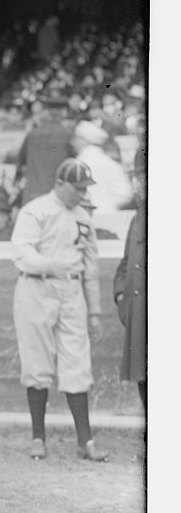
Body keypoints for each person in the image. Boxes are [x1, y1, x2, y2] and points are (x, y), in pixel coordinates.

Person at [11, 158, 108, 462]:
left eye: (85, 189)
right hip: (36, 287)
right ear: (60, 184)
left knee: (77, 363)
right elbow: (21, 253)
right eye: (77, 188)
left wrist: (94, 311)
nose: (81, 193)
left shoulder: (83, 217)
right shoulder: (35, 210)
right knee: (37, 364)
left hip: (72, 290)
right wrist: (50, 264)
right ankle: (38, 437)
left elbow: (91, 268)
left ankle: (86, 441)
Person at [113, 147, 146, 413]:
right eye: (138, 177)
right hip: (139, 320)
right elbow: (125, 264)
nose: (141, 182)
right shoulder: (138, 218)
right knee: (144, 384)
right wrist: (121, 297)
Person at [17, 95, 73, 205]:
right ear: (64, 112)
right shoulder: (68, 135)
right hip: (58, 197)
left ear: (46, 111)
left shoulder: (32, 134)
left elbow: (21, 161)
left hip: (33, 195)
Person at [71, 120, 134, 212]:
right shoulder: (110, 162)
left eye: (76, 138)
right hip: (109, 217)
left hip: (84, 217)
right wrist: (107, 205)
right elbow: (125, 194)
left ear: (83, 140)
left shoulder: (77, 163)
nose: (73, 142)